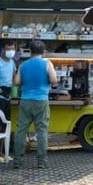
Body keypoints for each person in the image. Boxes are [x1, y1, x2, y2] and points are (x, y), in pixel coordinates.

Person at [12, 40, 57, 169]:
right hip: (41, 100)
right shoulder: (47, 64)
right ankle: (41, 161)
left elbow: (16, 82)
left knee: (21, 130)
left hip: (25, 100)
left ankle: (17, 161)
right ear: (43, 51)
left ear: (30, 51)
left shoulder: (23, 65)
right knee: (42, 131)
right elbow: (54, 80)